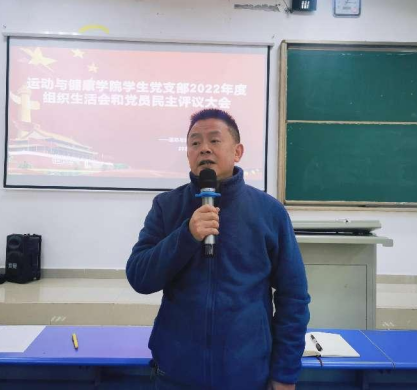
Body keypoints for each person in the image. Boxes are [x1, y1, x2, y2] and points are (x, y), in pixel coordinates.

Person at [127, 109, 310, 390]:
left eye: (214, 140)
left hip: (246, 374)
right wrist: (186, 235)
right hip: (176, 373)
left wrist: (285, 374)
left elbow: (293, 297)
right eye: (195, 142)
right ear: (188, 154)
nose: (204, 149)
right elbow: (140, 278)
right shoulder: (166, 206)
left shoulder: (269, 212)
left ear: (237, 152)